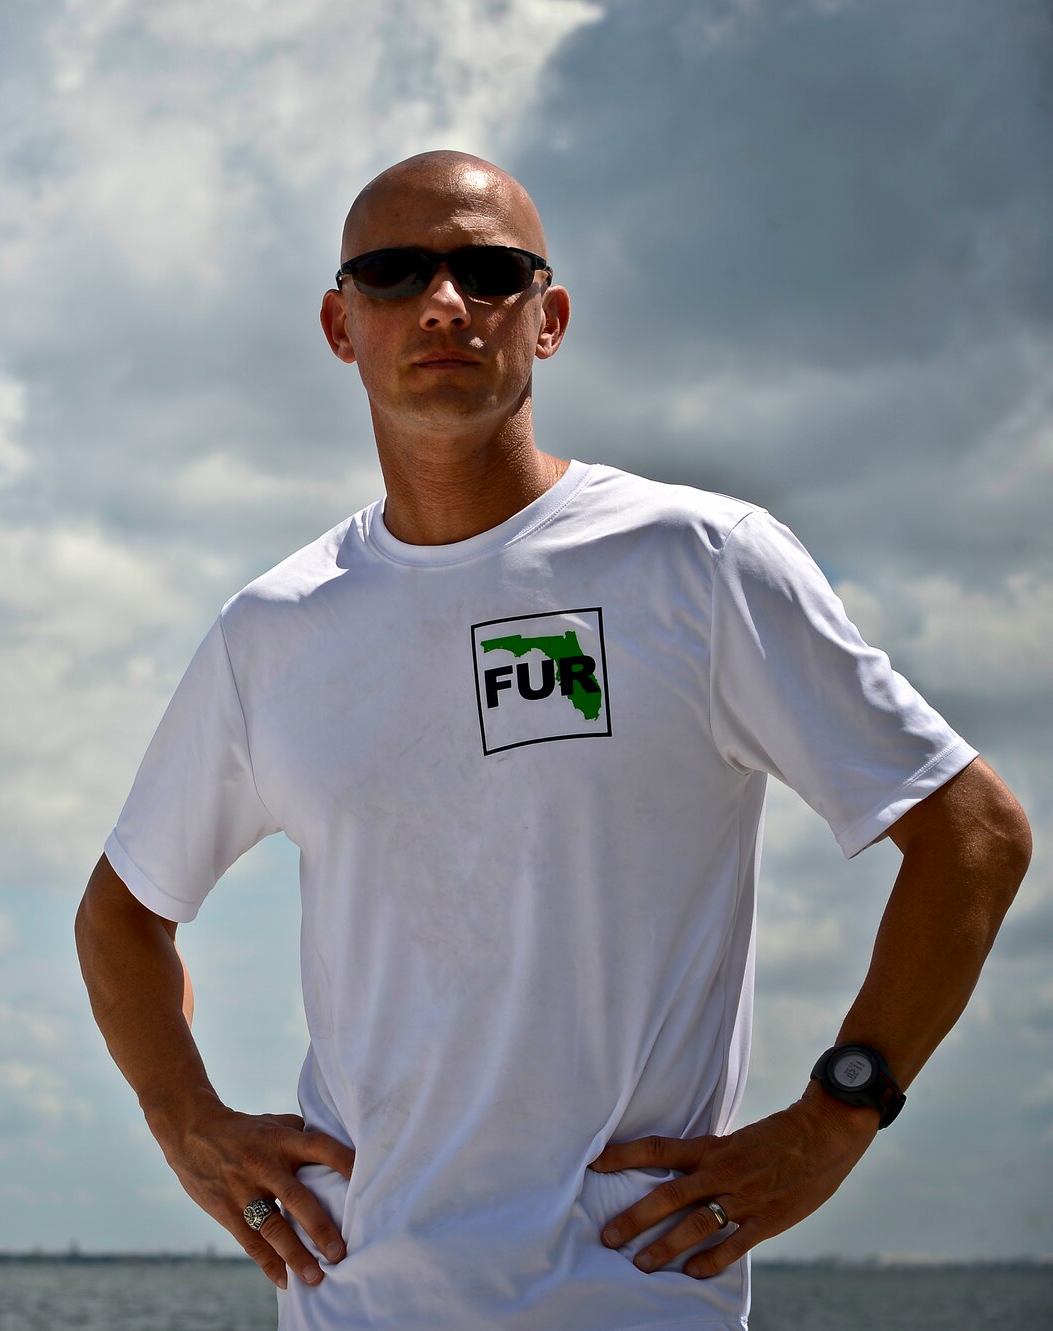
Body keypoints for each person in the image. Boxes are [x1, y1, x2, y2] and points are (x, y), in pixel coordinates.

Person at [73, 150, 1033, 1330]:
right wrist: (187, 1122)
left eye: (485, 270)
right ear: (339, 323)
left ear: (548, 315)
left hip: (628, 1293)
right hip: (350, 1299)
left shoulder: (698, 564)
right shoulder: (275, 627)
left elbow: (971, 831)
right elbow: (121, 909)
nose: (441, 303)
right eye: (391, 273)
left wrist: (835, 1113)